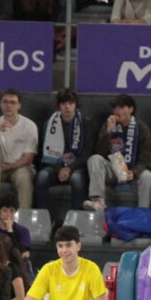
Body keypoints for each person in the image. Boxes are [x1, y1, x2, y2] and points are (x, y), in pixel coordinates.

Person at [85, 94, 151, 211]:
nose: (117, 111)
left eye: (121, 107)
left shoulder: (141, 129)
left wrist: (134, 172)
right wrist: (108, 132)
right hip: (113, 171)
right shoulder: (109, 125)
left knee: (148, 177)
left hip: (132, 171)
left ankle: (144, 212)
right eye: (115, 108)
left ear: (130, 109)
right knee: (95, 159)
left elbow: (146, 159)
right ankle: (98, 201)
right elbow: (99, 152)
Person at [36, 88, 91, 220]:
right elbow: (46, 154)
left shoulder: (86, 124)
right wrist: (60, 169)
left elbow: (87, 153)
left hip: (77, 167)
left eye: (70, 103)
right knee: (42, 177)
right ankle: (45, 220)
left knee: (76, 179)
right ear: (59, 105)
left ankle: (77, 221)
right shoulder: (49, 125)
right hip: (56, 166)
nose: (67, 107)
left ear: (75, 105)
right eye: (64, 103)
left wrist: (69, 169)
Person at [0, 89, 39, 208]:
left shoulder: (29, 126)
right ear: (0, 104)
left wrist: (8, 167)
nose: (9, 105)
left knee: (24, 177)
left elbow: (28, 158)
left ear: (19, 105)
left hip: (19, 167)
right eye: (5, 102)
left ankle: (24, 215)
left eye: (13, 102)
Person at [0, 193, 33, 259]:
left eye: (11, 211)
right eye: (5, 210)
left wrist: (10, 230)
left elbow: (23, 254)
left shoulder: (23, 231)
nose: (8, 214)